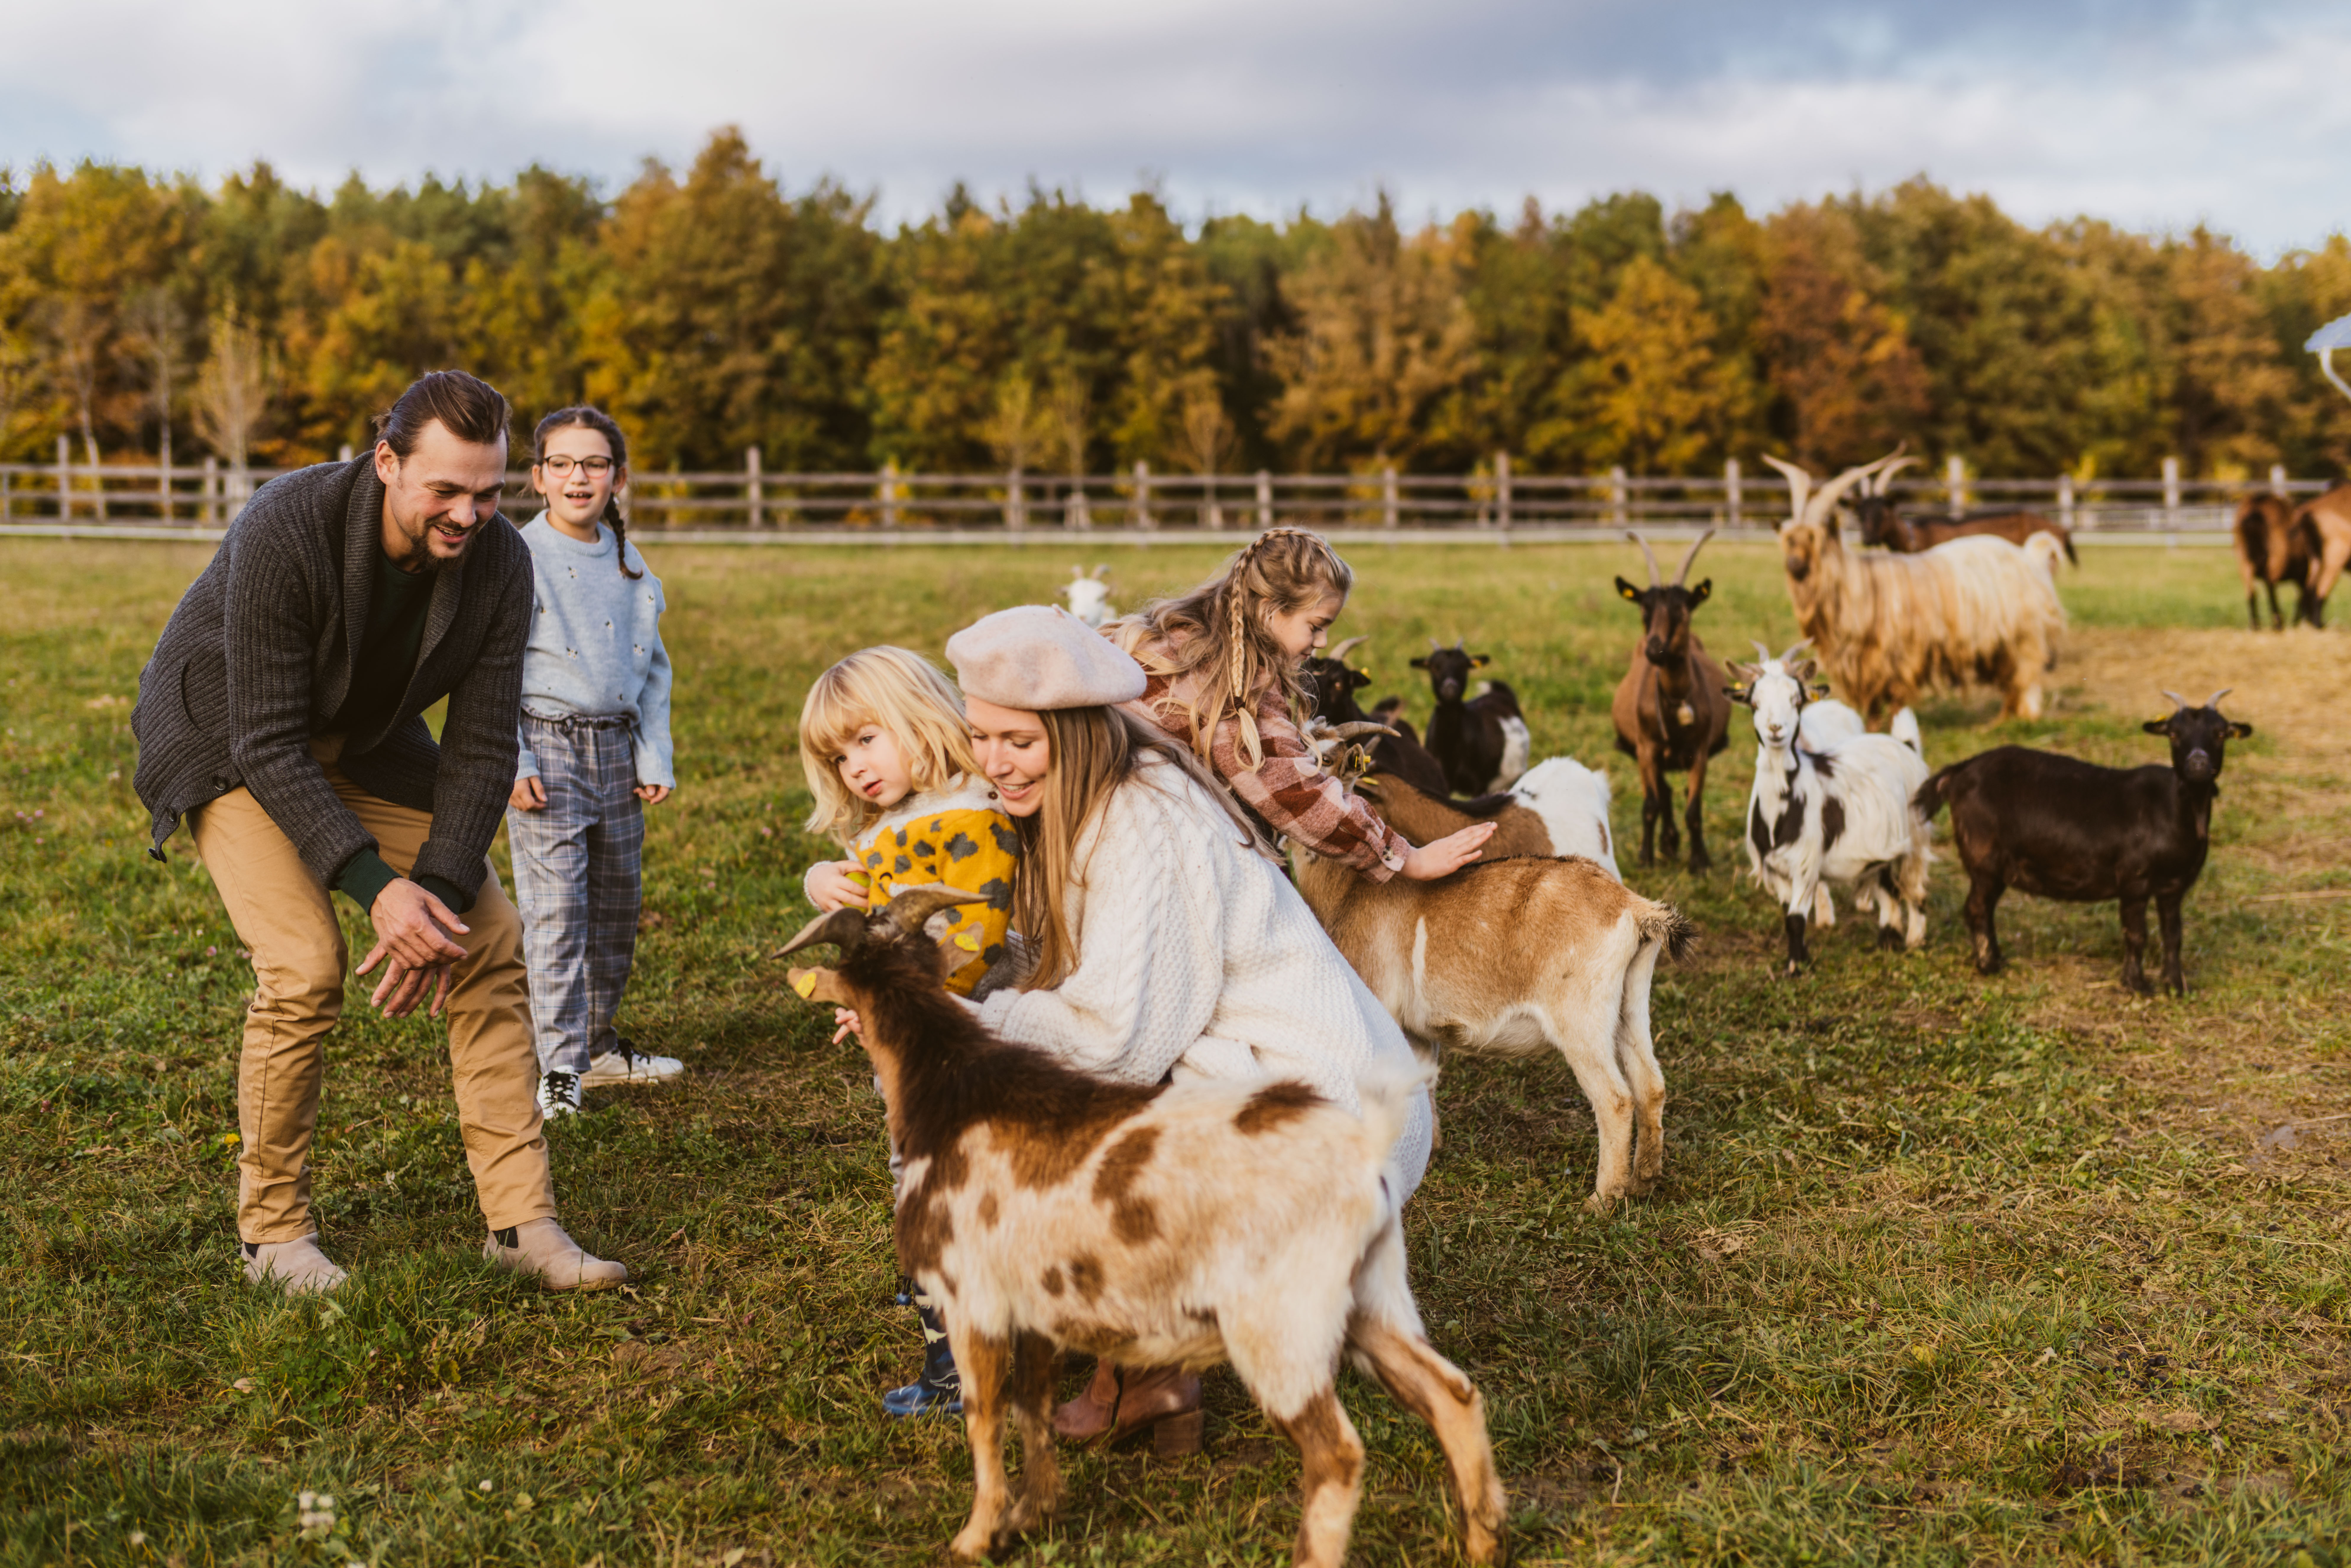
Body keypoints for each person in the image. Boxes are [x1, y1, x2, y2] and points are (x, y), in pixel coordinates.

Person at [130, 369, 625, 1296]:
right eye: (445, 490)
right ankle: (272, 1237)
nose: (469, 515)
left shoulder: (501, 564)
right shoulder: (289, 524)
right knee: (306, 965)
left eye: (487, 493)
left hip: (363, 739)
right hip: (230, 740)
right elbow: (268, 739)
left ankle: (523, 1225)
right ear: (387, 460)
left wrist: (433, 896)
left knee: (489, 935)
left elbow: (481, 751)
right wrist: (375, 891)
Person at [929, 604, 1435, 1455]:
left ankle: (1143, 1362)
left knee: (1059, 1111)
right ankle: (1147, 1374)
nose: (993, 765)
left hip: (1328, 1115)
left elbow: (1113, 1037)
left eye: (1019, 742)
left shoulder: (1143, 824)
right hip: (1283, 1084)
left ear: (1080, 730)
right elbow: (1080, 964)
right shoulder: (1089, 799)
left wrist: (974, 1020)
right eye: (981, 738)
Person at [797, 645, 1020, 1418]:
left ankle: (957, 1367)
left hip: (954, 1035)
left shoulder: (971, 818)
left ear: (921, 717)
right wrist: (818, 882)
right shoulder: (897, 821)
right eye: (838, 755)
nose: (855, 767)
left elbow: (971, 937)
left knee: (931, 1179)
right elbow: (863, 901)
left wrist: (891, 1003)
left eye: (868, 739)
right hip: (906, 1032)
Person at [1110, 527, 1492, 882]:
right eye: (1316, 626)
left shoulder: (1182, 637)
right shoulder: (1233, 682)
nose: (1323, 643)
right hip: (1123, 840)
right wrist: (1409, 859)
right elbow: (1294, 793)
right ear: (1269, 611)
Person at [504, 406, 683, 1120]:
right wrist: (510, 759)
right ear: (539, 477)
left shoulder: (631, 564)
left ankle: (599, 1047)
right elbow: (490, 672)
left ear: (619, 478)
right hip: (545, 748)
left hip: (615, 749)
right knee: (556, 914)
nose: (579, 477)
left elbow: (654, 673)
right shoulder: (515, 559)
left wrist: (651, 752)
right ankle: (558, 1068)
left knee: (614, 904)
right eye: (563, 464)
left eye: (595, 465)